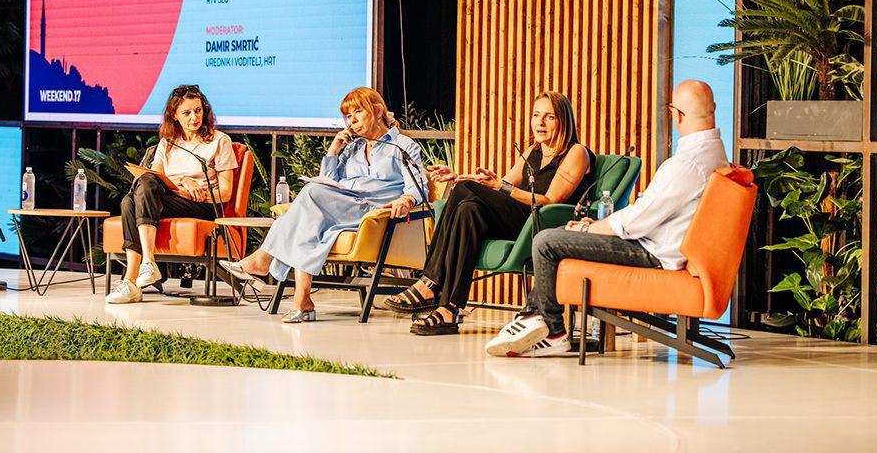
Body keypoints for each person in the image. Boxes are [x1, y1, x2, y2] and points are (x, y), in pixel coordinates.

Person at [486, 79, 728, 357]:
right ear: (713, 109)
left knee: (546, 241)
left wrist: (590, 229)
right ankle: (532, 317)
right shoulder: (714, 155)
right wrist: (590, 226)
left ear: (677, 115)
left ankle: (550, 330)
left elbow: (637, 220)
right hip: (660, 245)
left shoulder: (686, 164)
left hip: (652, 251)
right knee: (561, 233)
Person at [385, 91, 594, 335]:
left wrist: (500, 187)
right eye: (536, 115)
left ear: (564, 121)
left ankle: (429, 281)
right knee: (468, 210)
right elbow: (498, 184)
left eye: (549, 117)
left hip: (543, 224)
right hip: (520, 218)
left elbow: (550, 200)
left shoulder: (576, 152)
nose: (540, 122)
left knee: (466, 193)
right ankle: (449, 308)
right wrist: (457, 176)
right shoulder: (533, 151)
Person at [222, 87, 428, 322]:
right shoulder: (354, 147)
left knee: (311, 194)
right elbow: (329, 181)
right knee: (308, 221)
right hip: (341, 205)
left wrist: (406, 199)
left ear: (378, 111)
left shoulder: (403, 145)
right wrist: (334, 149)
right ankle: (302, 301)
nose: (352, 121)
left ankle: (263, 260)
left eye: (358, 112)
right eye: (348, 116)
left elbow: (418, 186)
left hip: (371, 210)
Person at [104, 85, 238, 304]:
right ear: (174, 115)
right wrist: (183, 181)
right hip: (172, 199)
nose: (194, 117)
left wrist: (199, 192)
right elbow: (154, 179)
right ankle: (139, 273)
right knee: (132, 197)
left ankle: (137, 275)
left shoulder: (219, 141)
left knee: (131, 201)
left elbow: (225, 193)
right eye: (187, 113)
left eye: (198, 110)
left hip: (202, 205)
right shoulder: (167, 142)